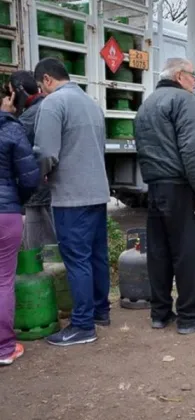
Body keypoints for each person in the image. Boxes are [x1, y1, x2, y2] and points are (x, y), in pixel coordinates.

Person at [33, 58, 111, 346]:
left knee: (77, 260)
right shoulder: (91, 103)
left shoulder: (54, 104)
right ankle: (101, 311)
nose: (41, 92)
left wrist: (40, 176)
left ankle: (82, 325)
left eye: (41, 87)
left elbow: (45, 152)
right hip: (96, 191)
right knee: (96, 255)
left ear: (47, 80)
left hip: (70, 196)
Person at [134, 58, 195, 334]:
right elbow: (194, 149)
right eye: (193, 75)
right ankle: (190, 317)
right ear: (180, 76)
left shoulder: (147, 104)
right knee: (188, 252)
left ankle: (160, 313)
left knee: (159, 252)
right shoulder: (187, 102)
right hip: (180, 186)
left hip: (155, 187)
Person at [0, 84, 41, 365]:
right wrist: (18, 201)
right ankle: (4, 349)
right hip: (5, 212)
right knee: (3, 280)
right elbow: (29, 178)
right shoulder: (11, 129)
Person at [9, 70, 56, 250]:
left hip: (37, 192)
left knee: (40, 246)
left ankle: (49, 276)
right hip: (50, 188)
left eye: (10, 91)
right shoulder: (49, 105)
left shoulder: (28, 117)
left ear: (18, 91)